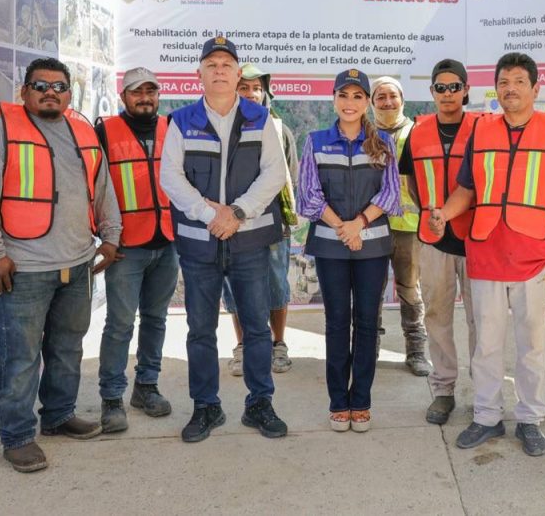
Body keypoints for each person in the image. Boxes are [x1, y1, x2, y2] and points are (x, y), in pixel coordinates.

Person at [0, 57, 122, 472]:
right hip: (23, 269)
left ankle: (58, 414)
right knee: (20, 358)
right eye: (40, 85)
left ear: (69, 94)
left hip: (78, 263)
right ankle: (17, 436)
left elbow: (102, 187)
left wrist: (111, 236)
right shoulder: (0, 132)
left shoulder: (83, 131)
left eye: (59, 86)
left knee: (67, 347)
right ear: (24, 91)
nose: (50, 92)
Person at [431, 52, 545, 457]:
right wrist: (443, 213)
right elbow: (466, 189)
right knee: (485, 343)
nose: (510, 89)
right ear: (495, 89)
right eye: (503, 82)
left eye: (519, 81)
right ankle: (486, 416)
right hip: (486, 253)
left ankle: (530, 419)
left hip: (534, 256)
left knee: (531, 344)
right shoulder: (481, 131)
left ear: (535, 89)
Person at [159, 37, 288, 443]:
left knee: (256, 327)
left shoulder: (260, 118)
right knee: (200, 330)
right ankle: (206, 406)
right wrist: (209, 214)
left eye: (226, 64)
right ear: (198, 74)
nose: (219, 70)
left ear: (237, 73)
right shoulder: (181, 120)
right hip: (199, 243)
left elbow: (274, 173)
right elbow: (170, 177)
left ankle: (260, 403)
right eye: (211, 64)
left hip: (248, 241)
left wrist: (237, 212)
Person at [296, 69, 401, 432]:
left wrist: (359, 223)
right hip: (332, 248)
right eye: (344, 95)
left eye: (358, 96)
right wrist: (344, 228)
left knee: (367, 323)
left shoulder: (383, 143)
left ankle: (362, 401)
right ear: (334, 99)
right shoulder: (316, 141)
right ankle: (339, 402)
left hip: (372, 247)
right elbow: (308, 195)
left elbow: (391, 193)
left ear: (367, 102)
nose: (350, 103)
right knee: (337, 322)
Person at [95, 67, 179, 433]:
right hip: (126, 247)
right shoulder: (105, 131)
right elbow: (94, 188)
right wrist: (105, 237)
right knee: (120, 324)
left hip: (167, 242)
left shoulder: (171, 128)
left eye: (150, 91)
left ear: (158, 95)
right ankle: (112, 398)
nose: (144, 97)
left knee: (156, 320)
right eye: (136, 92)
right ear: (123, 96)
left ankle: (146, 387)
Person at [397, 59, 479, 424]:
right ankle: (444, 390)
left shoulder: (483, 128)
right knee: (437, 317)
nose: (447, 94)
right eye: (440, 88)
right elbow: (411, 181)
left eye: (454, 87)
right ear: (432, 92)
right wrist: (431, 211)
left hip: (477, 240)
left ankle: (484, 393)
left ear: (466, 90)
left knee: (482, 322)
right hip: (434, 241)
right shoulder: (418, 131)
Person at [223, 63, 299, 376]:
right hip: (233, 223)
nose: (252, 93)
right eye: (244, 87)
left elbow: (289, 178)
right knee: (236, 286)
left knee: (276, 284)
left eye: (257, 88)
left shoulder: (280, 130)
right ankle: (243, 347)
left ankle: (278, 344)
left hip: (273, 223)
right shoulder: (220, 127)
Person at [370, 76, 431, 376]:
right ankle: (369, 349)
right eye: (380, 97)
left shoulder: (416, 132)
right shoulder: (366, 134)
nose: (387, 102)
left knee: (409, 289)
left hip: (409, 226)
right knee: (371, 289)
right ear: (372, 103)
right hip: (373, 224)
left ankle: (416, 351)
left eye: (392, 96)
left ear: (402, 100)